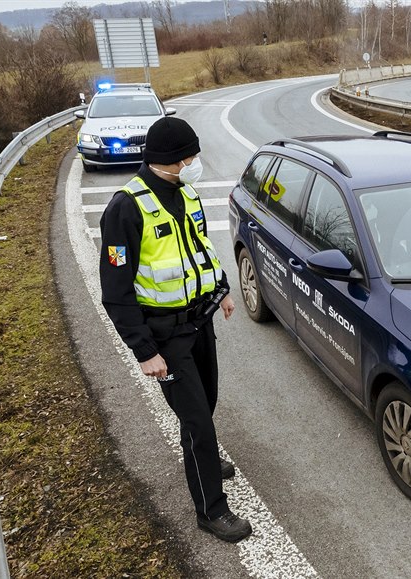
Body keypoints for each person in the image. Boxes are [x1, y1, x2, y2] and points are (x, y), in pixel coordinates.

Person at [99, 116, 252, 543]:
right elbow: (116, 291)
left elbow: (200, 249)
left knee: (208, 400)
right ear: (172, 158)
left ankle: (202, 457)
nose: (195, 162)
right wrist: (144, 351)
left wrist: (221, 289)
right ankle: (211, 509)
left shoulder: (186, 194)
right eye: (190, 156)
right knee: (198, 421)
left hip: (199, 323)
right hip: (164, 335)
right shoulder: (125, 209)